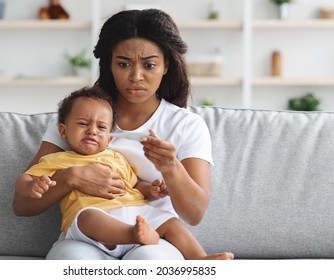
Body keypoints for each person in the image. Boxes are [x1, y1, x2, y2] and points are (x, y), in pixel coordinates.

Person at [13, 8, 224, 259]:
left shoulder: (186, 125)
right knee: (71, 261)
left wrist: (170, 167)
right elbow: (22, 205)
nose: (135, 77)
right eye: (123, 64)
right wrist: (72, 177)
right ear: (109, 65)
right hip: (89, 233)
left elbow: (194, 214)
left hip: (153, 233)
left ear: (166, 65)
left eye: (149, 65)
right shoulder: (78, 118)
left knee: (148, 261)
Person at [15, 87, 233, 260]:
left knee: (169, 222)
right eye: (83, 124)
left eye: (101, 128)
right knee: (89, 218)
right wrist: (32, 186)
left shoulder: (116, 157)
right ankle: (133, 235)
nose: (92, 130)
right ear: (63, 130)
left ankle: (199, 259)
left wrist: (154, 189)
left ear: (110, 138)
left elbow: (135, 185)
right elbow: (25, 181)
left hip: (135, 212)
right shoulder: (57, 160)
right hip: (93, 219)